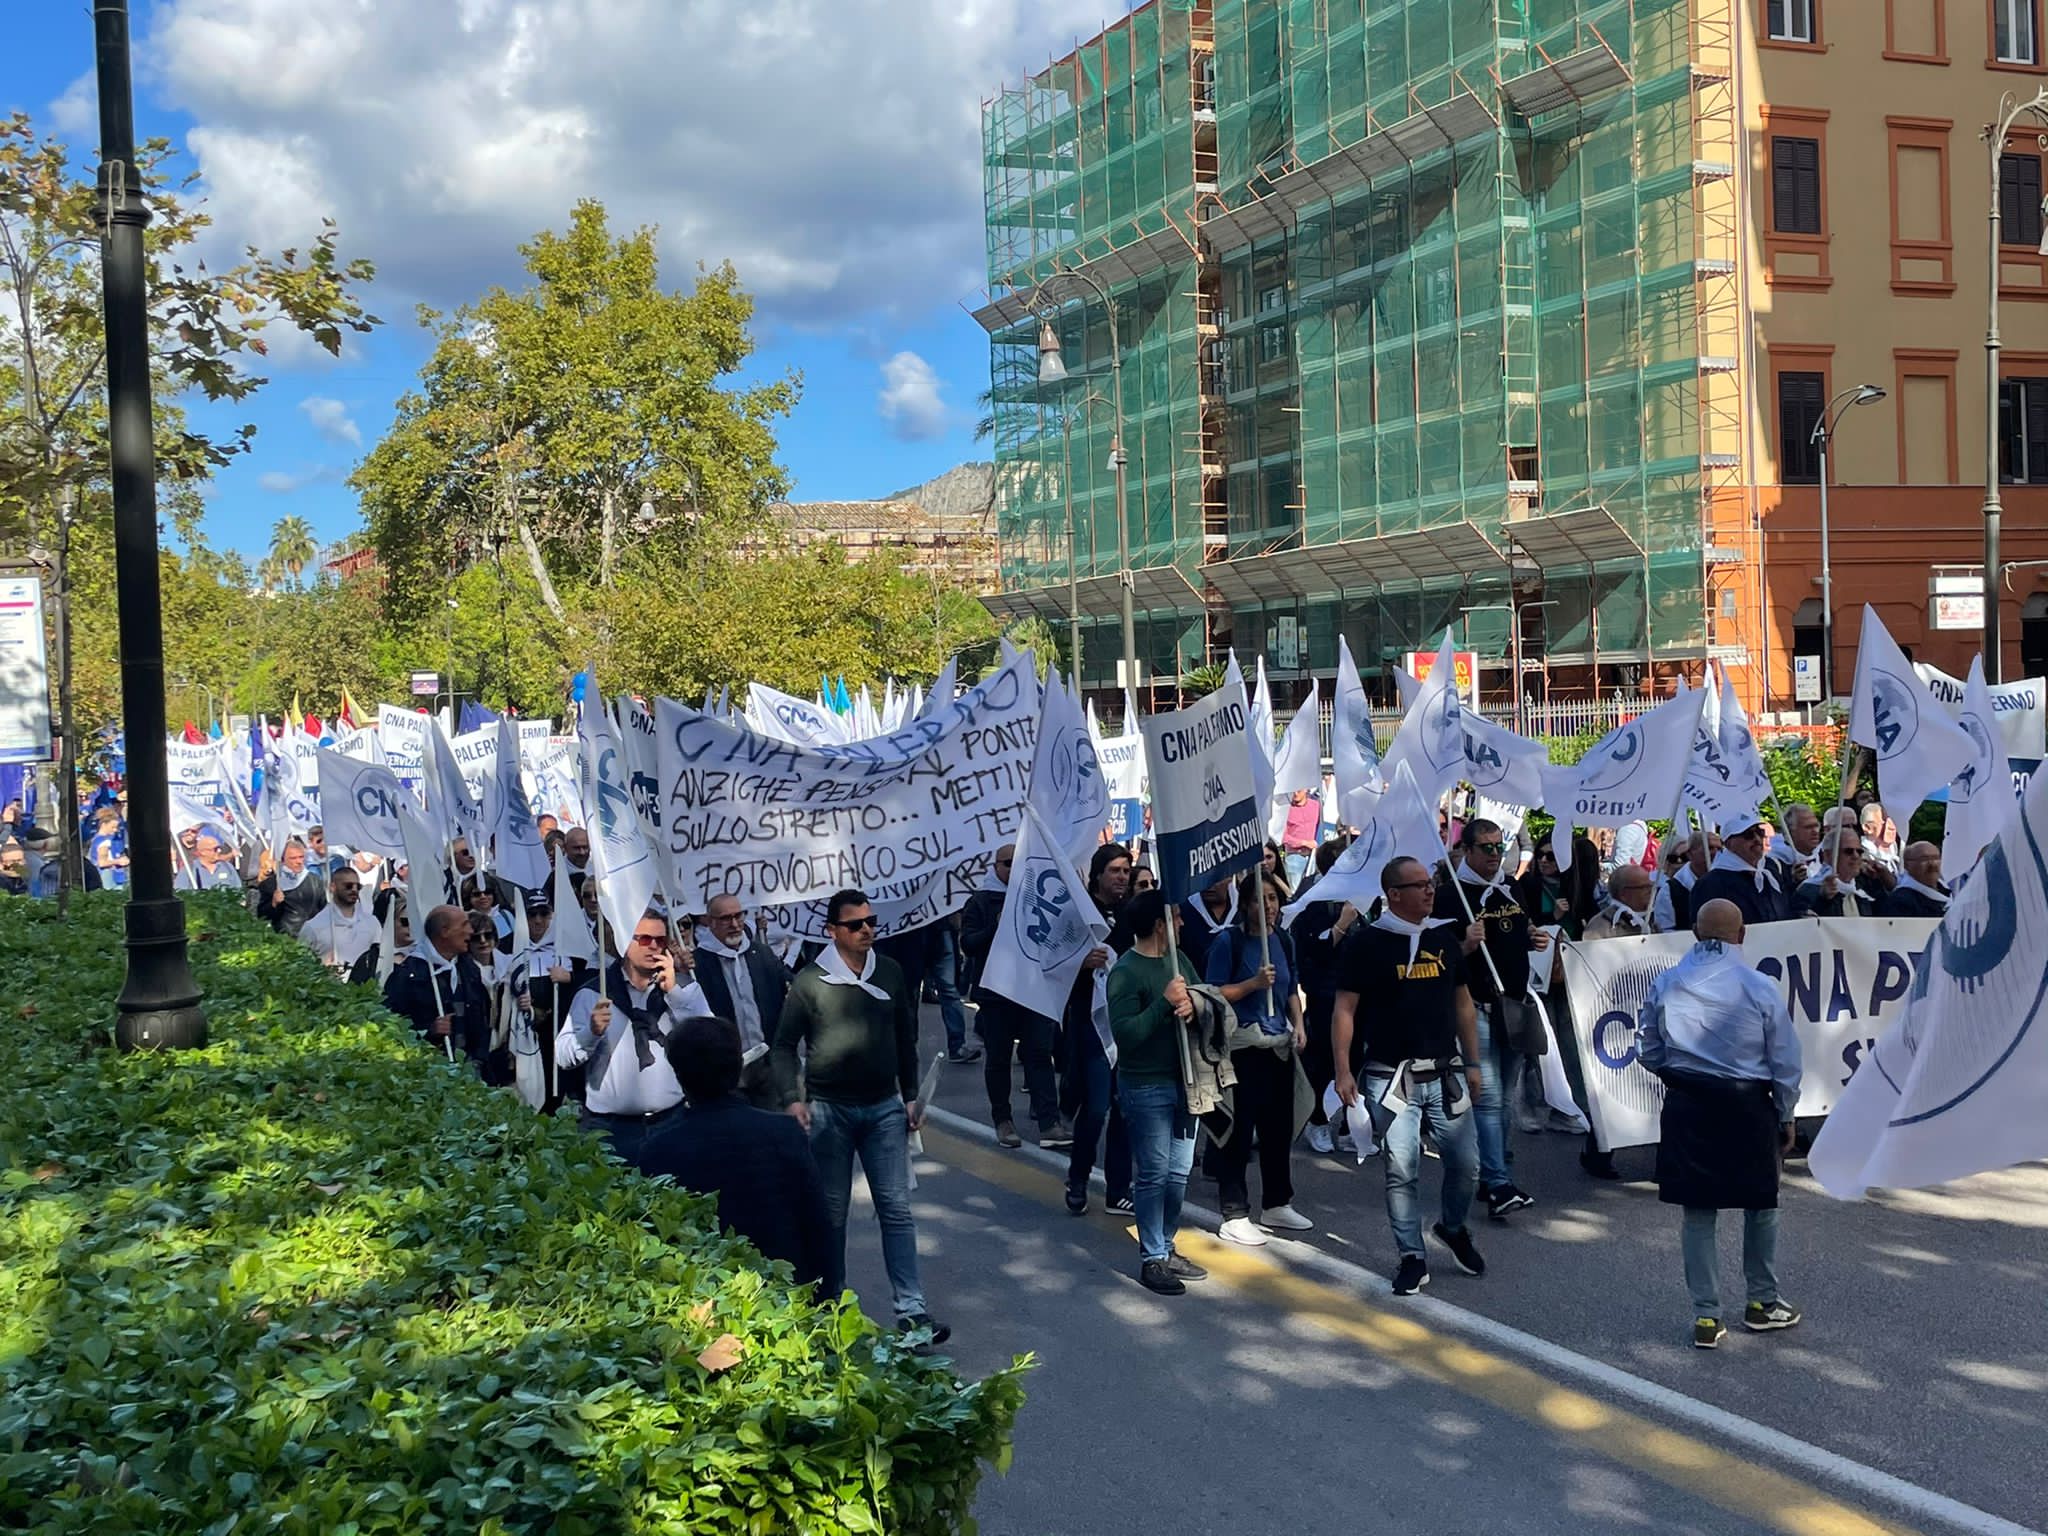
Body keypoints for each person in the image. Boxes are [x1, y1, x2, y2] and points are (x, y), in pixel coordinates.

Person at [772, 889, 947, 1345]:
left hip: (884, 1109)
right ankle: (831, 1306)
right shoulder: (811, 981)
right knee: (832, 1213)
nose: (867, 929)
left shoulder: (888, 971)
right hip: (829, 1111)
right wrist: (794, 1097)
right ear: (832, 932)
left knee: (896, 1209)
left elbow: (905, 1036)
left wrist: (911, 1096)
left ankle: (912, 1311)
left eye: (871, 922)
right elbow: (784, 1045)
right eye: (855, 925)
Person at [1637, 899, 1803, 1348]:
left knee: (1698, 1210)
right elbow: (1785, 1060)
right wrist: (1786, 1113)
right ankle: (1762, 1303)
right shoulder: (1759, 985)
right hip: (1746, 1104)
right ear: (1742, 934)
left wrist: (1679, 1073)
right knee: (1762, 1204)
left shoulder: (1667, 982)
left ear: (1694, 932)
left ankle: (1706, 1316)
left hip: (1689, 1101)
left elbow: (1647, 1049)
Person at [1333, 856, 1488, 1296]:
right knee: (1401, 1169)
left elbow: (1463, 1003)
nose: (1429, 890)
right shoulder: (1366, 944)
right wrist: (1343, 1071)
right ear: (1393, 894)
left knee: (1466, 1165)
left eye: (1431, 882)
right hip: (1390, 1076)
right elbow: (1344, 1009)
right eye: (1419, 884)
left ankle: (1453, 1227)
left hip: (1445, 1073)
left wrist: (1473, 1062)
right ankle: (1411, 1256)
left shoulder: (1443, 937)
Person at [637, 1016, 832, 1290]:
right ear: (739, 1066)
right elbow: (817, 1222)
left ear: (678, 1074)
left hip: (704, 1298)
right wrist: (828, 1294)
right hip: (786, 1293)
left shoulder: (658, 1150)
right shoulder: (785, 1133)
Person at [1438, 818, 1550, 1220]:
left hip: (1514, 1005)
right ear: (1466, 850)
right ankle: (1499, 1183)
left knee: (1505, 1096)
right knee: (1488, 1099)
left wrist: (1532, 937)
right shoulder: (1450, 895)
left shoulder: (1510, 887)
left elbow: (1517, 934)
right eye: (1485, 848)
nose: (1493, 855)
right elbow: (1438, 959)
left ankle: (1494, 1175)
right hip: (1478, 1007)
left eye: (1498, 847)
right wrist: (1464, 945)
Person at [1203, 868, 1312, 1242]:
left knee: (1277, 1128)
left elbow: (1291, 989)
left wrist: (1298, 1024)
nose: (1267, 906)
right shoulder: (1228, 943)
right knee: (1238, 1131)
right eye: (1258, 899)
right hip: (1242, 1049)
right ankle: (1233, 1212)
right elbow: (1213, 995)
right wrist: (1252, 984)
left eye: (1272, 899)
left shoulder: (1283, 939)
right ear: (1244, 904)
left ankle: (1277, 1202)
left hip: (1278, 1045)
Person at [1107, 889, 1207, 1296]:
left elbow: (1203, 997)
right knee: (1154, 1173)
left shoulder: (1179, 961)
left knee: (1179, 1172)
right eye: (1176, 918)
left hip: (1185, 1080)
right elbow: (1126, 1035)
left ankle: (1166, 1246)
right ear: (1157, 925)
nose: (1183, 924)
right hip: (1146, 1084)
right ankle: (1152, 1258)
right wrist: (1165, 1004)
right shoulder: (1126, 973)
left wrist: (1194, 1007)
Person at [557, 911, 708, 1165]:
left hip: (671, 1121)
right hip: (608, 1130)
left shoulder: (684, 990)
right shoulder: (594, 994)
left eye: (660, 940)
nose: (654, 947)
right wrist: (590, 1033)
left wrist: (676, 995)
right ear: (625, 943)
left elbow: (709, 1042)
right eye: (645, 939)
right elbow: (562, 1055)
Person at [958, 844, 1066, 1150]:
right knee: (999, 1058)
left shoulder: (1037, 896)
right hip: (996, 994)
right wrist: (998, 924)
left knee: (1039, 1056)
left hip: (1033, 991)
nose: (1012, 869)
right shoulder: (980, 900)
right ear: (995, 867)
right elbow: (969, 943)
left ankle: (1050, 1122)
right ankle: (1002, 1120)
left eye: (1018, 863)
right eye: (1007, 863)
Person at [1065, 844, 1135, 1216]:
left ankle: (1118, 1188)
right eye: (1114, 871)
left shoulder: (1132, 913)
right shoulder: (1078, 912)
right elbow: (1053, 961)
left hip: (1126, 1022)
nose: (1122, 877)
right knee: (1095, 1107)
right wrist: (1080, 963)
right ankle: (1077, 1178)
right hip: (1090, 1022)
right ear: (1097, 875)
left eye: (1126, 870)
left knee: (1124, 1107)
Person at [1290, 836, 1360, 1154]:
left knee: (1354, 1058)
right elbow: (1313, 951)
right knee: (1322, 1061)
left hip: (1357, 993)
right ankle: (1316, 1120)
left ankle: (1349, 1125)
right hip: (1324, 992)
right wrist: (1343, 924)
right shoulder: (1311, 900)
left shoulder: (1360, 897)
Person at [694, 892, 794, 1109]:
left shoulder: (761, 953)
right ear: (711, 923)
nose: (734, 924)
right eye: (725, 918)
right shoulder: (698, 963)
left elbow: (790, 985)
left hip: (766, 1063)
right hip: (726, 1068)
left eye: (739, 916)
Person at [383, 904, 495, 1070]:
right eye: (464, 925)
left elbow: (482, 1018)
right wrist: (429, 1031)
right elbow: (390, 1029)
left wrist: (478, 1060)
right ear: (444, 932)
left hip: (471, 1072)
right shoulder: (407, 976)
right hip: (431, 1073)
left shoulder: (469, 968)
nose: (471, 931)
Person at [1691, 815, 1794, 925]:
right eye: (1748, 835)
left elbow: (1787, 909)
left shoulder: (1771, 869)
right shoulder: (1710, 883)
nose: (1757, 839)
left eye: (1760, 832)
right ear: (1729, 843)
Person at [299, 863, 378, 975]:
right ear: (333, 887)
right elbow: (300, 964)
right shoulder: (313, 926)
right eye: (348, 886)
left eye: (358, 886)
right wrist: (321, 969)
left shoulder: (372, 923)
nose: (354, 890)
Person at [1794, 826, 1879, 917]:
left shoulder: (1864, 888)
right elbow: (1802, 921)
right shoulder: (1809, 890)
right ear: (1828, 855)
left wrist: (1880, 881)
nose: (1856, 856)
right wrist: (1823, 899)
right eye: (1848, 851)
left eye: (1859, 851)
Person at [256, 838, 327, 936]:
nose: (299, 861)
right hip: (284, 939)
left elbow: (324, 910)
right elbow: (262, 916)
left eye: (301, 857)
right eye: (293, 858)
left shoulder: (315, 881)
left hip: (312, 936)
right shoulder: (270, 884)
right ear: (283, 859)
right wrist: (273, 903)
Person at [1583, 863, 1663, 940]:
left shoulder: (1655, 919)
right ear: (1623, 894)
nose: (1651, 890)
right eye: (1644, 887)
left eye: (1651, 885)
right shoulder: (1601, 927)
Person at [1877, 842, 1949, 918]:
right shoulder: (1900, 902)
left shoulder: (1950, 892)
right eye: (1924, 859)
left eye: (1936, 858)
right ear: (1907, 865)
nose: (1932, 864)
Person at [1768, 803, 1824, 884]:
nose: (1815, 831)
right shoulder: (1774, 864)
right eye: (1808, 827)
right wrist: (1792, 882)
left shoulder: (1825, 858)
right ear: (1790, 832)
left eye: (1816, 826)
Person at [1281, 789, 1321, 887]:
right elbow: (1282, 837)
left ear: (1306, 789)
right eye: (1293, 791)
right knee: (1296, 890)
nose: (1295, 793)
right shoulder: (1285, 809)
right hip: (1294, 856)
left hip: (1314, 855)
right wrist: (1304, 843)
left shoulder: (1316, 806)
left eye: (1298, 790)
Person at [89, 807, 129, 889]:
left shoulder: (96, 839)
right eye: (112, 827)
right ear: (103, 825)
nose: (115, 830)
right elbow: (102, 862)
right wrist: (119, 861)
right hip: (108, 877)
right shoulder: (104, 841)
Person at [1859, 802, 1902, 876]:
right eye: (1884, 822)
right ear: (1867, 827)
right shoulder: (1860, 856)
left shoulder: (1902, 853)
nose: (1891, 827)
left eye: (1893, 821)